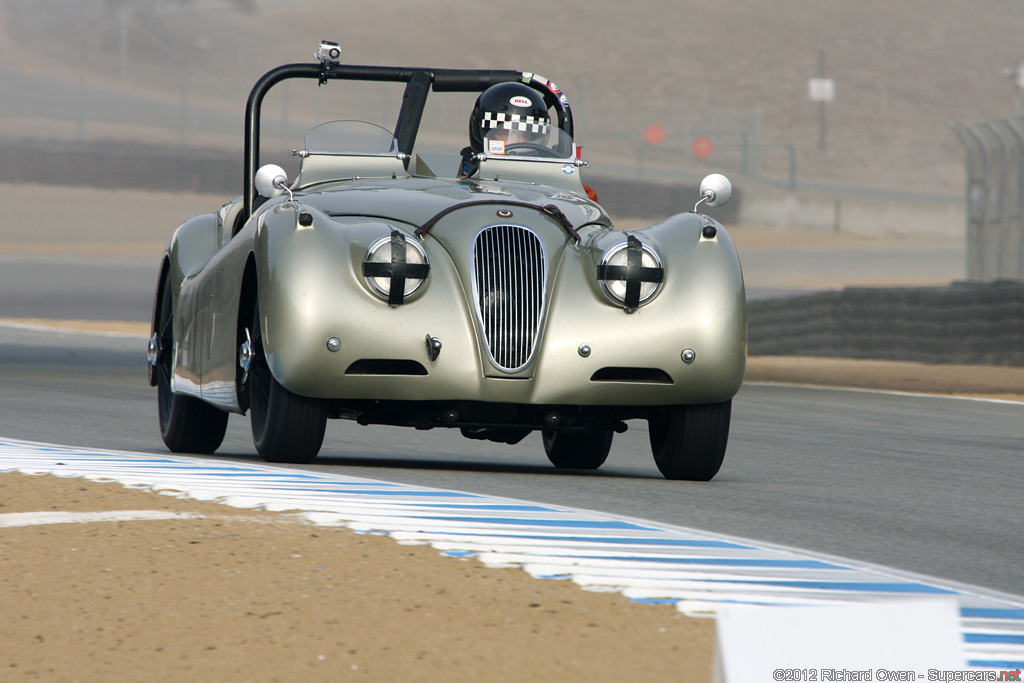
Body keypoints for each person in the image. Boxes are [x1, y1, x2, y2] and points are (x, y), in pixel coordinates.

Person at [460, 82, 551, 178]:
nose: (515, 142)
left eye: (524, 135)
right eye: (504, 133)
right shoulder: (461, 175)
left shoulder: (547, 176)